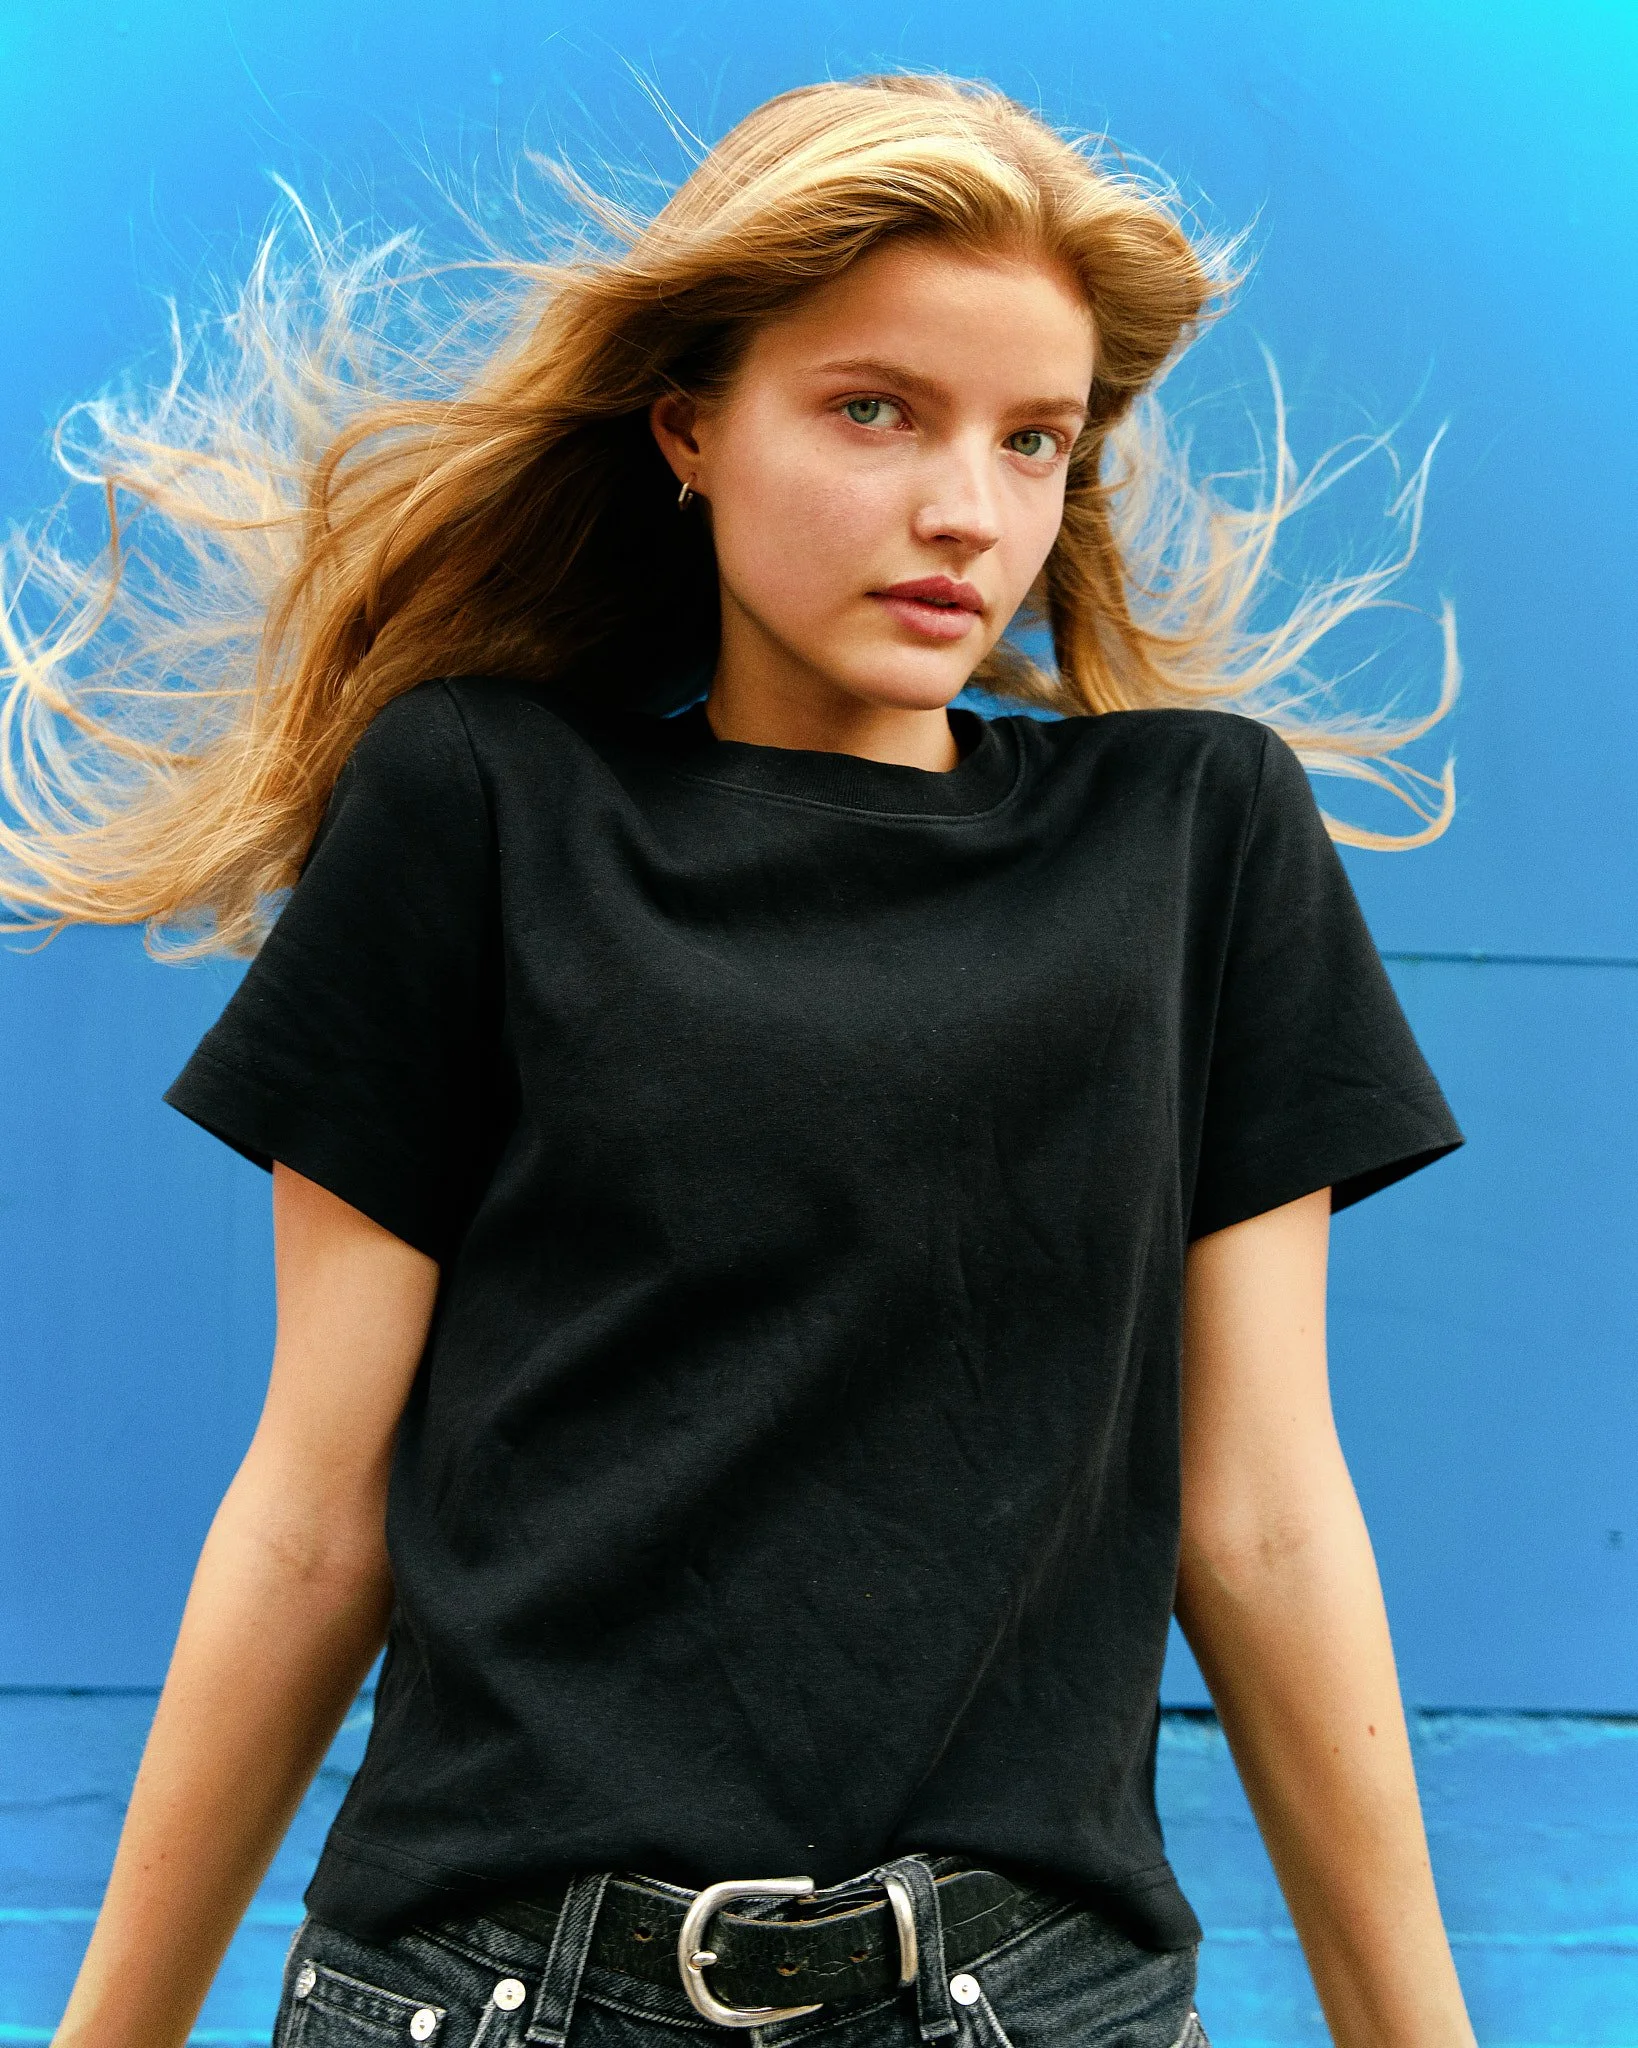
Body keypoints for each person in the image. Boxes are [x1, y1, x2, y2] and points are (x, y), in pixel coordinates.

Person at [6, 72, 1476, 2048]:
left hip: (1030, 2002)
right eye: (875, 410)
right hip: (494, 1992)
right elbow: (312, 1511)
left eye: (1033, 440)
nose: (966, 509)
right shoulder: (478, 805)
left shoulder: (1200, 837)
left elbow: (1266, 1516)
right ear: (688, 424)